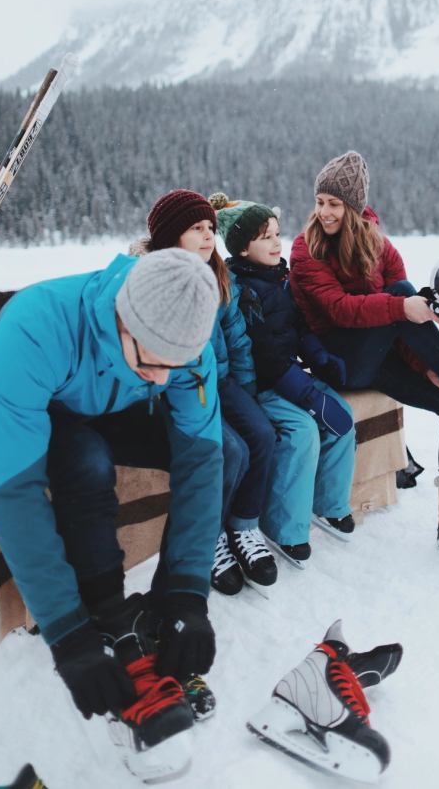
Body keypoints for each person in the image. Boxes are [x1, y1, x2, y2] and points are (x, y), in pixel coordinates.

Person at [0, 248, 222, 763]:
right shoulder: (37, 326)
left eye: (178, 364)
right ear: (122, 319)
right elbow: (11, 489)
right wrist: (66, 632)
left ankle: (165, 617)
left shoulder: (180, 342)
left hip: (103, 398)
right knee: (85, 459)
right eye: (153, 360)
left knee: (226, 447)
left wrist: (189, 591)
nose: (166, 379)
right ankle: (106, 614)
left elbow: (203, 460)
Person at [290, 150, 439, 560]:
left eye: (334, 204)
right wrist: (405, 308)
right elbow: (341, 311)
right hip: (340, 360)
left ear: (354, 207)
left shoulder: (379, 247)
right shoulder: (305, 249)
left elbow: (406, 326)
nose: (324, 212)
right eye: (320, 202)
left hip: (382, 358)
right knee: (404, 295)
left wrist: (427, 366)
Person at [131, 189, 278, 596]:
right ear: (170, 236)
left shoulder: (217, 274)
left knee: (263, 435)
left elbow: (236, 337)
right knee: (231, 450)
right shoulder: (148, 277)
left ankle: (243, 525)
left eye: (210, 227)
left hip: (222, 381)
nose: (208, 235)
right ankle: (209, 536)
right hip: (173, 390)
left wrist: (246, 391)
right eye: (196, 229)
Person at [211, 193, 357, 568]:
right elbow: (263, 355)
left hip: (291, 376)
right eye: (265, 237)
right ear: (242, 249)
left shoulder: (282, 280)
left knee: (342, 417)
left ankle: (328, 503)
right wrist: (308, 394)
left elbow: (298, 329)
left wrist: (320, 358)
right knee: (303, 432)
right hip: (262, 386)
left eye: (277, 233)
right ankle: (282, 526)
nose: (277, 242)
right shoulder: (241, 292)